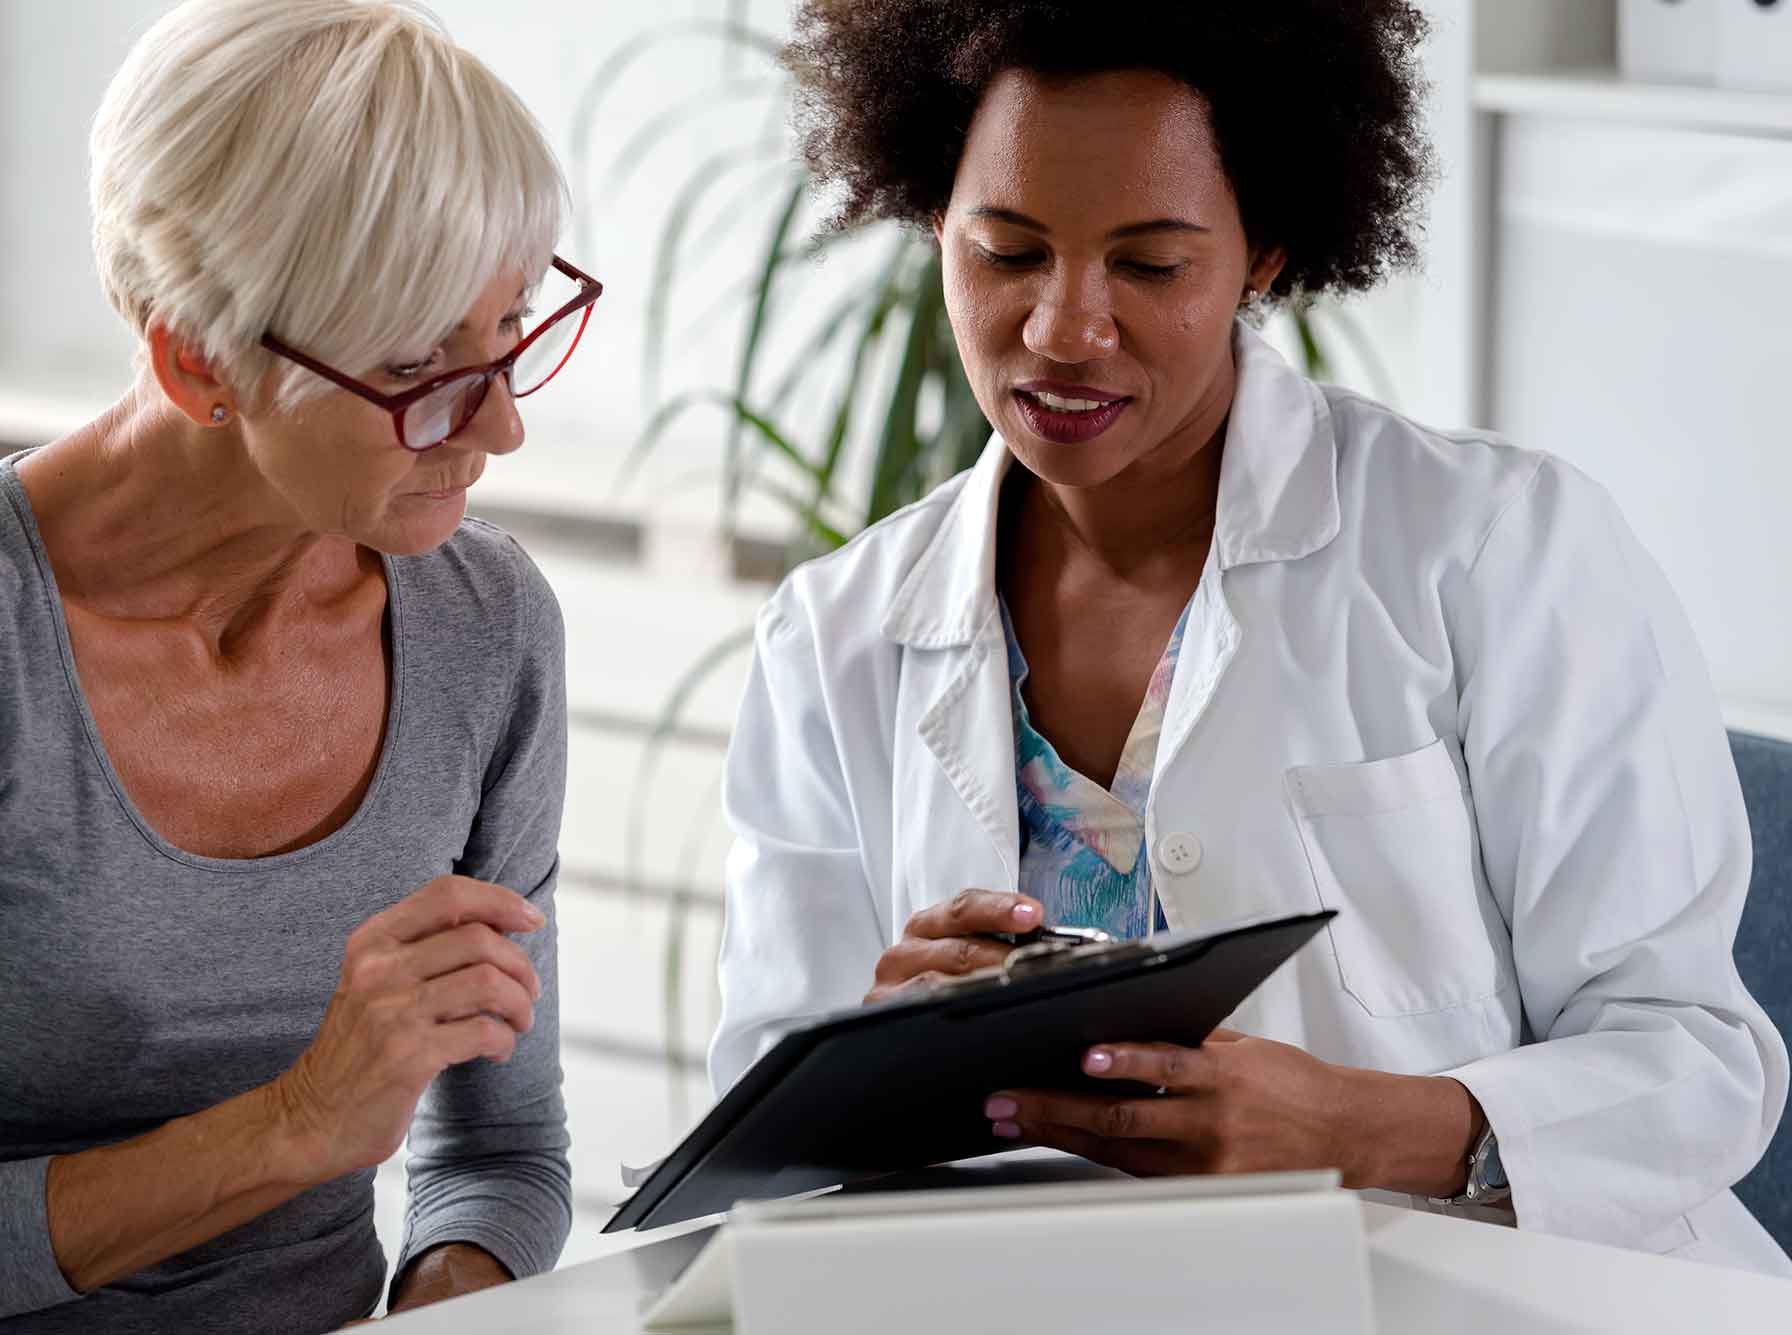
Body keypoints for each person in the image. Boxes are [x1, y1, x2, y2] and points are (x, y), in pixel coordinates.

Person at [711, 0, 1789, 1273]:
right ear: (933, 220)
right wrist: (873, 1060)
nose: (1062, 327)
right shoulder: (835, 632)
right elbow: (756, 1139)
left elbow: (1692, 1062)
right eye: (1005, 253)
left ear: (1264, 249)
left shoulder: (1495, 548)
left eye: (1149, 265)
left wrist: (1370, 1128)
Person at [0, 1, 603, 1330]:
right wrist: (293, 1126)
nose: (501, 423)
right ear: (199, 359)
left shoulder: (487, 624)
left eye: (510, 328)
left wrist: (452, 1294)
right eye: (419, 365)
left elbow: (497, 1154)